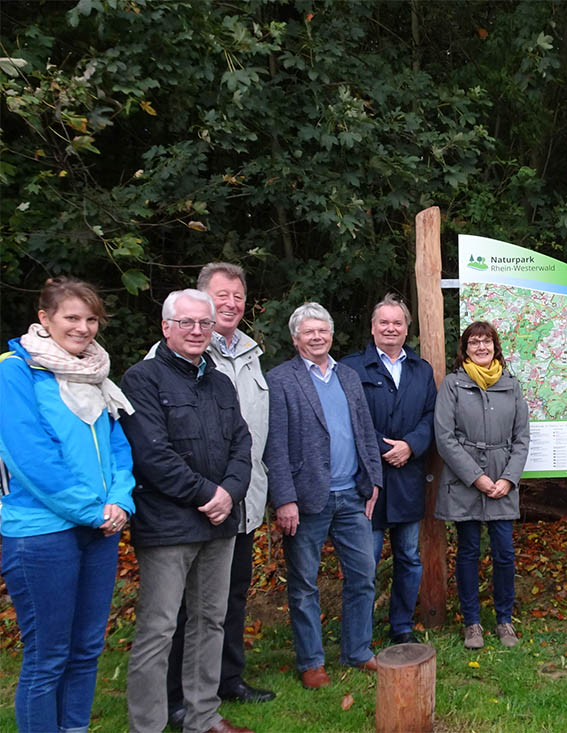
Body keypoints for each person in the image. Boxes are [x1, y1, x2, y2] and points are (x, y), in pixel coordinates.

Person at [0, 277, 136, 733]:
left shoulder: (95, 371)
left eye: (91, 318)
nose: (83, 328)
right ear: (44, 318)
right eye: (71, 317)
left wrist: (119, 500)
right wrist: (92, 510)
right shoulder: (15, 370)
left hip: (98, 528)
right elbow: (30, 457)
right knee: (48, 656)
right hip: (40, 533)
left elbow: (118, 445)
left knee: (86, 649)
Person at [121, 289, 253, 733]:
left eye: (205, 324)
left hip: (220, 524)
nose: (197, 331)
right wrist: (207, 495)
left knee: (210, 623)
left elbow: (242, 443)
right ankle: (149, 725)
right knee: (159, 630)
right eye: (187, 323)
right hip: (169, 526)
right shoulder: (143, 379)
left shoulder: (219, 381)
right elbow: (152, 455)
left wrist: (230, 494)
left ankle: (203, 717)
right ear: (166, 327)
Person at [157, 264, 273, 728]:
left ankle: (227, 679)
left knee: (232, 597)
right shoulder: (171, 356)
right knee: (186, 607)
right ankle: (176, 696)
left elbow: (251, 434)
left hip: (241, 498)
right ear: (201, 300)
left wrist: (238, 489)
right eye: (221, 295)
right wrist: (209, 493)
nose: (230, 304)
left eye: (238, 296)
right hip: (191, 505)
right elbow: (160, 439)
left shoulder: (249, 352)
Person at [264, 303, 384, 688]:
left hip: (352, 495)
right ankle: (312, 662)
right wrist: (284, 499)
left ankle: (357, 651)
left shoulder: (347, 376)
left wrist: (374, 481)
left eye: (323, 330)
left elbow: (365, 431)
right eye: (308, 332)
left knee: (363, 577)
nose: (317, 337)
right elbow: (275, 445)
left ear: (332, 334)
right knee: (304, 586)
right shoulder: (280, 380)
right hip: (305, 500)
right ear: (295, 338)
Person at [341, 294, 437, 644]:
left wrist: (411, 446)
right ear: (372, 327)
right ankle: (359, 636)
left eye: (397, 323)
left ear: (406, 328)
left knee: (409, 559)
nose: (391, 328)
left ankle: (401, 627)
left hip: (408, 478)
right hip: (367, 481)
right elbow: (347, 421)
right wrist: (385, 448)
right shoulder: (350, 368)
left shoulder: (421, 369)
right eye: (384, 322)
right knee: (364, 565)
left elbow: (431, 416)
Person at [434, 321, 530, 650]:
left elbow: (522, 439)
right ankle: (472, 622)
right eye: (474, 342)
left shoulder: (511, 386)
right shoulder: (452, 385)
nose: (481, 347)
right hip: (465, 484)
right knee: (468, 552)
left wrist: (507, 479)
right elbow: (445, 438)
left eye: (486, 341)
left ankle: (504, 620)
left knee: (504, 553)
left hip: (503, 483)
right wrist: (477, 477)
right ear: (465, 348)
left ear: (495, 346)